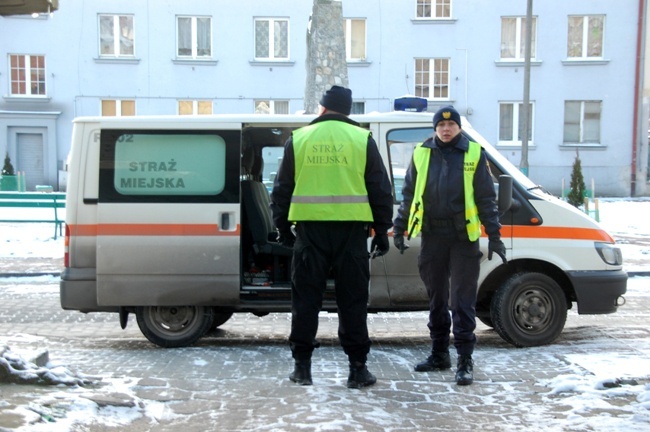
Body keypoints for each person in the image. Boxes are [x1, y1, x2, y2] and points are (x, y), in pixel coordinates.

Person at [270, 85, 394, 388]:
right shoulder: (361, 139)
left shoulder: (299, 139)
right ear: (348, 110)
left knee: (305, 300)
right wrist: (381, 229)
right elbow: (380, 188)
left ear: (323, 108)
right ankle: (357, 369)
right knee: (353, 301)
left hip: (310, 234)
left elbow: (282, 188)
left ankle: (302, 368)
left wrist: (283, 228)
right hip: (351, 234)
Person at [392, 106, 506, 386]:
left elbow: (486, 199)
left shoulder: (474, 153)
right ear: (435, 129)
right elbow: (409, 194)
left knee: (462, 301)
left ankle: (465, 360)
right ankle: (439, 354)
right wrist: (399, 226)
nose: (446, 129)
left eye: (451, 125)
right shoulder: (421, 153)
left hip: (462, 238)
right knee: (437, 299)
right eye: (441, 126)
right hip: (432, 238)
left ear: (458, 127)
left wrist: (494, 236)